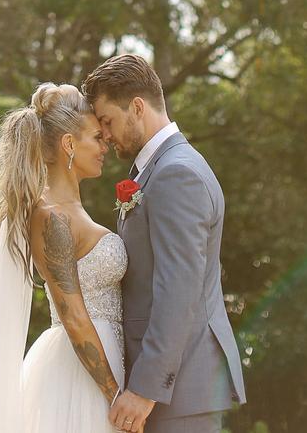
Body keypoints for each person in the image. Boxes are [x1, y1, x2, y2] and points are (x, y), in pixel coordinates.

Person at [0, 82, 135, 433]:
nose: (104, 144)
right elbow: (73, 317)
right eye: (95, 137)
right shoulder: (50, 216)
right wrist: (115, 395)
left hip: (107, 360)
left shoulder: (71, 210)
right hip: (82, 377)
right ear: (69, 144)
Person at [82, 54, 247, 433]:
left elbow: (179, 289)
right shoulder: (159, 170)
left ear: (137, 107)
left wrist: (145, 389)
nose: (104, 134)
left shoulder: (176, 174)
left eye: (106, 121)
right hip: (173, 389)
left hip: (180, 390)